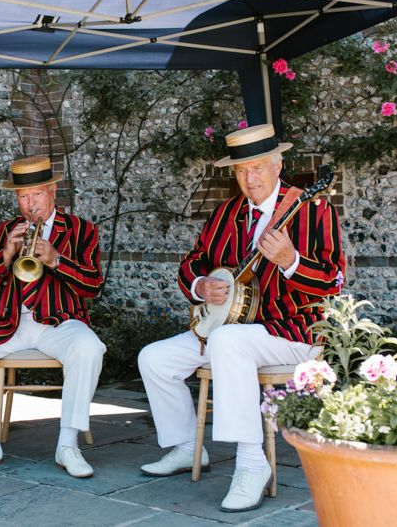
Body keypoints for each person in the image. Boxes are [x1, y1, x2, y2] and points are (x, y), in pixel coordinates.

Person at [138, 124, 345, 512]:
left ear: (277, 164)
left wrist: (291, 261)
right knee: (154, 358)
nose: (250, 180)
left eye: (258, 168)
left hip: (291, 330)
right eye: (241, 171)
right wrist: (201, 286)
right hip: (230, 329)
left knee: (226, 342)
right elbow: (192, 263)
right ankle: (186, 447)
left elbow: (333, 280)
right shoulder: (226, 213)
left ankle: (252, 464)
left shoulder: (312, 209)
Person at [0, 155, 106, 478]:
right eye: (23, 197)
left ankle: (68, 444)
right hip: (9, 323)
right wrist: (6, 256)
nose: (30, 205)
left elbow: (93, 285)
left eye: (37, 195)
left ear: (53, 190)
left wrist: (56, 260)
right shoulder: (2, 231)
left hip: (59, 322)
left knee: (89, 348)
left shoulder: (82, 230)